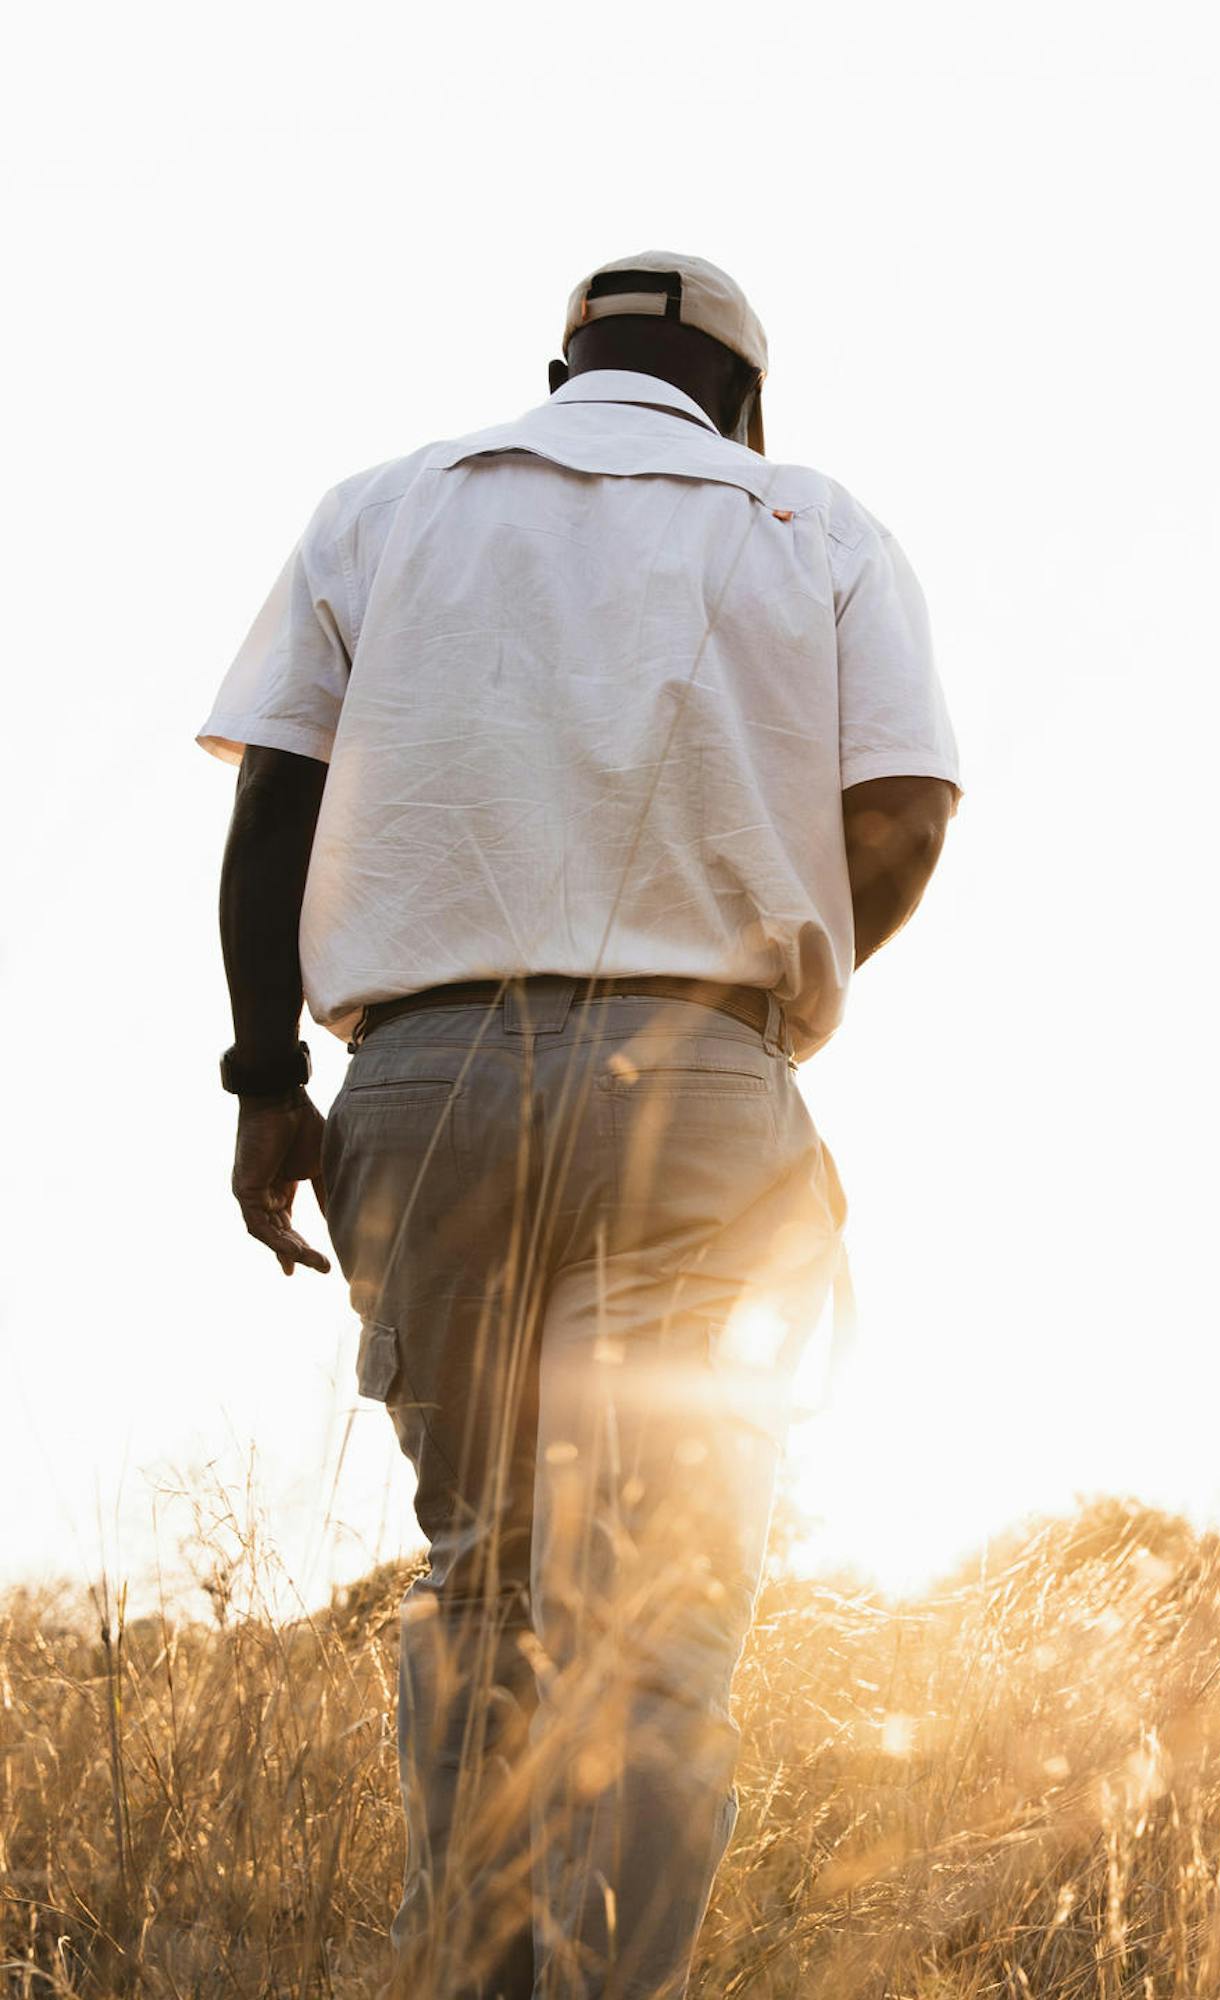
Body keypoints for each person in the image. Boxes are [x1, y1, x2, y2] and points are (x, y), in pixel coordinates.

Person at [198, 251, 961, 2000]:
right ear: (744, 401)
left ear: (557, 371)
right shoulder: (809, 521)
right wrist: (750, 1007)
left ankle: (470, 1974)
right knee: (659, 1623)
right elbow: (906, 812)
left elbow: (271, 815)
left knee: (481, 1579)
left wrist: (264, 1082)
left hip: (421, 1077)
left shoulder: (382, 509)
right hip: (694, 1083)